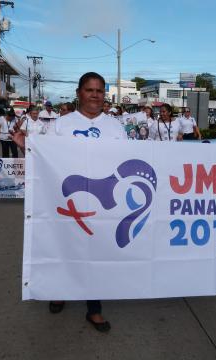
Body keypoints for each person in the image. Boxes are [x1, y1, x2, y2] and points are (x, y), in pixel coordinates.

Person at [51, 72, 127, 333]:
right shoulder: (61, 124)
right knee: (64, 247)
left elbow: (125, 162)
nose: (95, 95)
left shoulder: (116, 127)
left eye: (99, 90)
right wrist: (26, 146)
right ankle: (59, 290)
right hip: (67, 199)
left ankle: (94, 309)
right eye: (89, 90)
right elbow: (46, 159)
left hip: (101, 203)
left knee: (95, 254)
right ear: (78, 92)